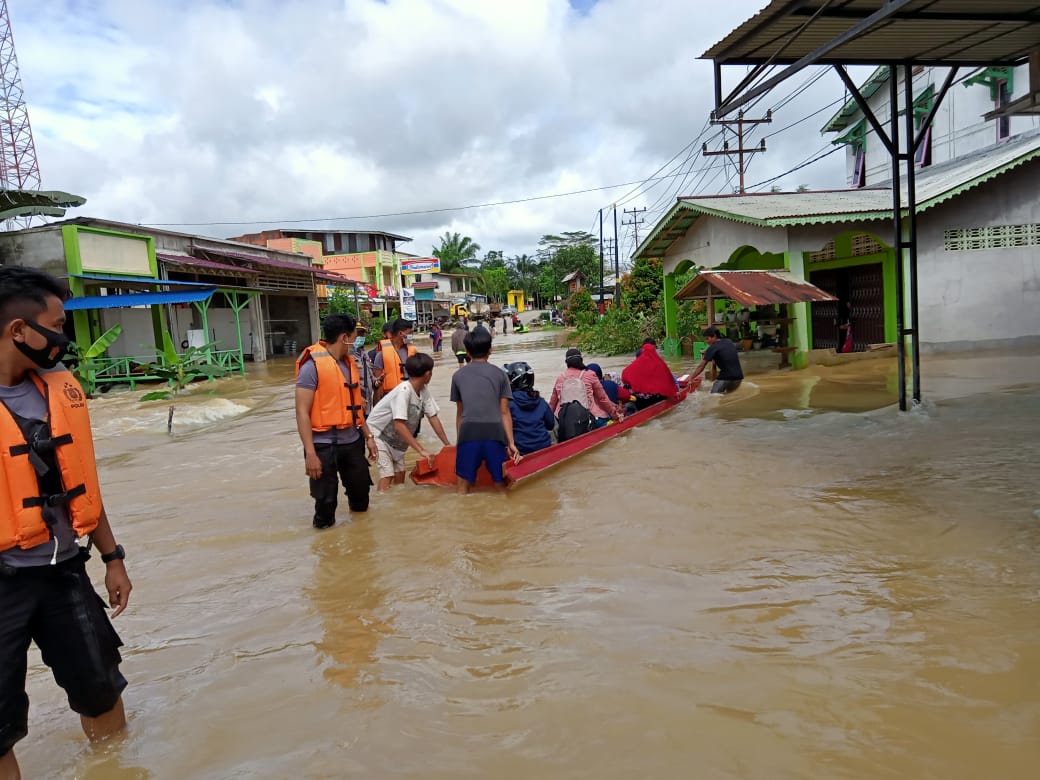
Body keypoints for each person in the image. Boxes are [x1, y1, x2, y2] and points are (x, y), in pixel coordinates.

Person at [0, 267, 133, 778]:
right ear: (18, 331)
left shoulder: (58, 391)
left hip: (63, 573)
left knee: (101, 690)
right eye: (56, 325)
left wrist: (113, 557)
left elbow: (82, 487)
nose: (64, 338)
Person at [295, 313, 379, 529]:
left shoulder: (349, 364)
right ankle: (326, 553)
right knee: (326, 504)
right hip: (322, 446)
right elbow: (302, 412)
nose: (356, 339)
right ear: (344, 337)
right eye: (354, 335)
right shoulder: (311, 367)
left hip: (351, 442)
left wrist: (368, 436)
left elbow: (356, 406)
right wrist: (310, 454)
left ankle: (360, 546)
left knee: (361, 498)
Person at [449, 327, 521, 494]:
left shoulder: (458, 376)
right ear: (491, 350)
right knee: (499, 484)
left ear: (467, 351)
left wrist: (460, 442)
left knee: (463, 487)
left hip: (469, 433)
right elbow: (504, 412)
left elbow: (460, 412)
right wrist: (511, 443)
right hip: (494, 433)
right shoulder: (500, 375)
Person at [366, 353, 450, 493]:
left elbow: (433, 417)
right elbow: (399, 425)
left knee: (400, 478)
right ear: (428, 374)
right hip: (378, 435)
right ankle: (381, 503)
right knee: (387, 475)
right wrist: (421, 450)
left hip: (397, 441)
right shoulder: (404, 391)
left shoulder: (423, 391)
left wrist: (447, 444)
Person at [549, 348, 618, 438]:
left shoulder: (560, 378)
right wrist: (614, 414)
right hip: (590, 417)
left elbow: (552, 404)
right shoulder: (590, 374)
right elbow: (602, 399)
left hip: (564, 421)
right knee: (606, 421)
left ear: (567, 362)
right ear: (581, 360)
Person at [504, 361, 555, 456]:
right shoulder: (541, 401)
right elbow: (550, 425)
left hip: (520, 451)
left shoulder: (507, 404)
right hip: (544, 446)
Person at [621, 339, 679, 409]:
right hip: (653, 400)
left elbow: (624, 378)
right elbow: (668, 381)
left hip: (638, 400)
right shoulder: (659, 365)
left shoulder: (631, 367)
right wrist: (674, 393)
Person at [689, 326, 744, 394]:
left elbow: (701, 366)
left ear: (714, 336)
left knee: (713, 397)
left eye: (707, 339)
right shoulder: (728, 341)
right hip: (738, 378)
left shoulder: (712, 348)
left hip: (725, 378)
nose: (706, 341)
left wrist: (691, 378)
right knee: (726, 397)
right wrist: (707, 352)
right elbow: (723, 353)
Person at [372, 318, 416, 398]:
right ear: (400, 333)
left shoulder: (412, 351)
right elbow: (377, 382)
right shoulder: (381, 355)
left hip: (410, 394)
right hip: (390, 397)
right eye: (409, 333)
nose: (411, 336)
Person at [352, 323, 377, 414]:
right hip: (356, 399)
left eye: (362, 334)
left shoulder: (364, 354)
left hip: (368, 398)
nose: (361, 337)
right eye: (358, 334)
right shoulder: (348, 356)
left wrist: (376, 381)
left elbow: (369, 373)